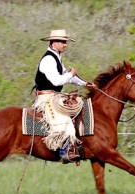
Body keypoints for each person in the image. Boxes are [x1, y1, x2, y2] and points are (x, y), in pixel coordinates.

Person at [32, 29, 93, 164]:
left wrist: (85, 84)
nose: (65, 45)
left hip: (54, 96)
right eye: (63, 42)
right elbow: (57, 81)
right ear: (54, 43)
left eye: (65, 42)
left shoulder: (56, 58)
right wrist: (70, 74)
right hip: (46, 98)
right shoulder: (48, 59)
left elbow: (68, 78)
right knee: (63, 119)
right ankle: (64, 151)